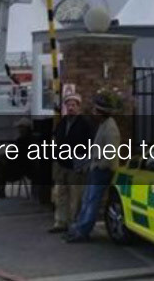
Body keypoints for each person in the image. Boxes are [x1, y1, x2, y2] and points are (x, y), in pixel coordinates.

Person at [64, 92, 123, 242]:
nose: (93, 113)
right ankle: (79, 228)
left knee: (92, 201)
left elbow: (110, 155)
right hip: (97, 168)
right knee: (87, 199)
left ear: (100, 112)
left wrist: (98, 165)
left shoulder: (110, 129)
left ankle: (82, 231)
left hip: (102, 170)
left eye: (95, 110)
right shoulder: (104, 125)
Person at [48, 92, 92, 233]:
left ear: (79, 107)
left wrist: (83, 163)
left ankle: (74, 222)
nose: (71, 108)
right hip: (61, 164)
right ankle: (61, 222)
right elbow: (55, 138)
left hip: (76, 164)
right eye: (68, 105)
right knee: (60, 194)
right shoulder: (62, 122)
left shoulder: (85, 123)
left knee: (76, 195)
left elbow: (90, 145)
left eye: (73, 105)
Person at [0, 118, 35, 198]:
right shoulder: (29, 139)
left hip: (22, 168)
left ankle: (0, 188)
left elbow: (15, 153)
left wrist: (6, 156)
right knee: (2, 162)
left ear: (25, 128)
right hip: (24, 166)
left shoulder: (23, 140)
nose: (19, 129)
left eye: (21, 127)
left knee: (2, 164)